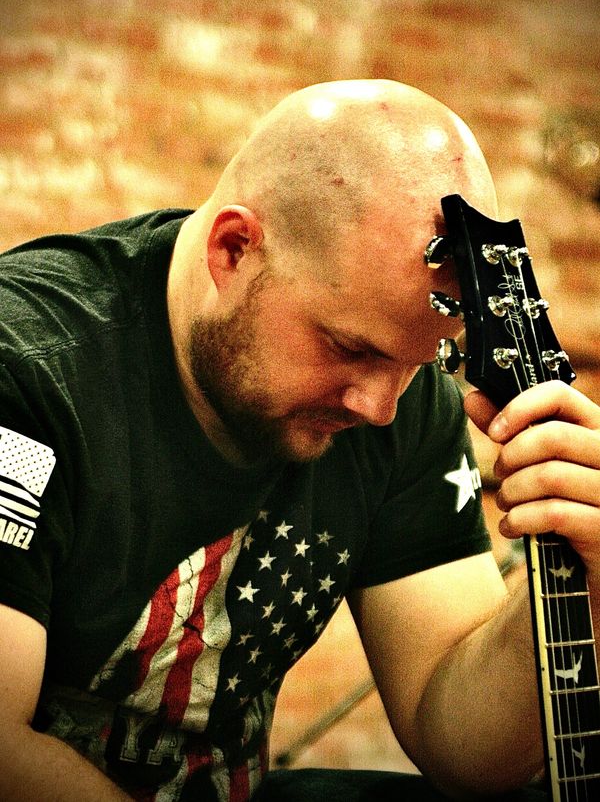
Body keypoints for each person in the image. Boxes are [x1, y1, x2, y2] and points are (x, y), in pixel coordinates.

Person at [0, 78, 598, 802]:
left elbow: (460, 739)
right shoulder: (27, 368)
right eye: (351, 347)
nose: (380, 407)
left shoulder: (402, 402)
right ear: (233, 249)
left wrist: (591, 587)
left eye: (415, 364)